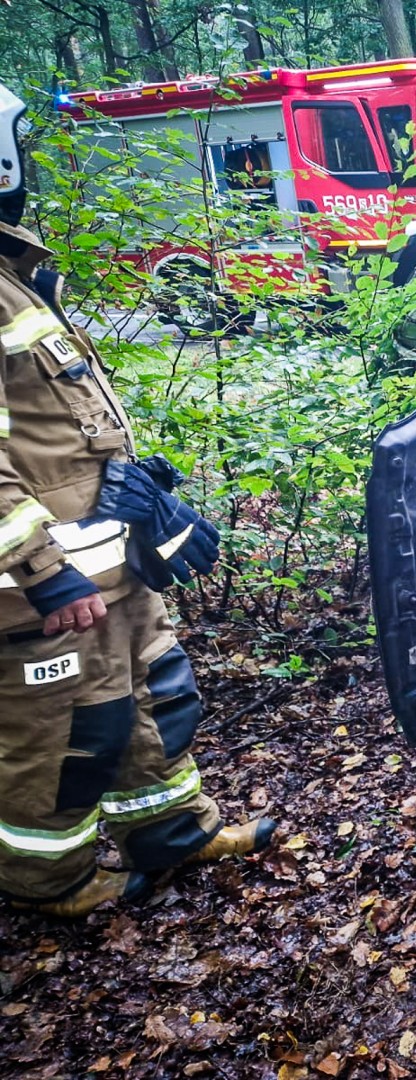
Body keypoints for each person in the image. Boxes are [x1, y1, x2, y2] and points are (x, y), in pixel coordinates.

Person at [0, 82, 275, 918]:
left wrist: (132, 478)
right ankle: (48, 882)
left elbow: (53, 424)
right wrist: (44, 572)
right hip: (44, 588)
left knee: (151, 698)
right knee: (62, 739)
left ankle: (173, 834)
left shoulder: (13, 275)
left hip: (104, 564)